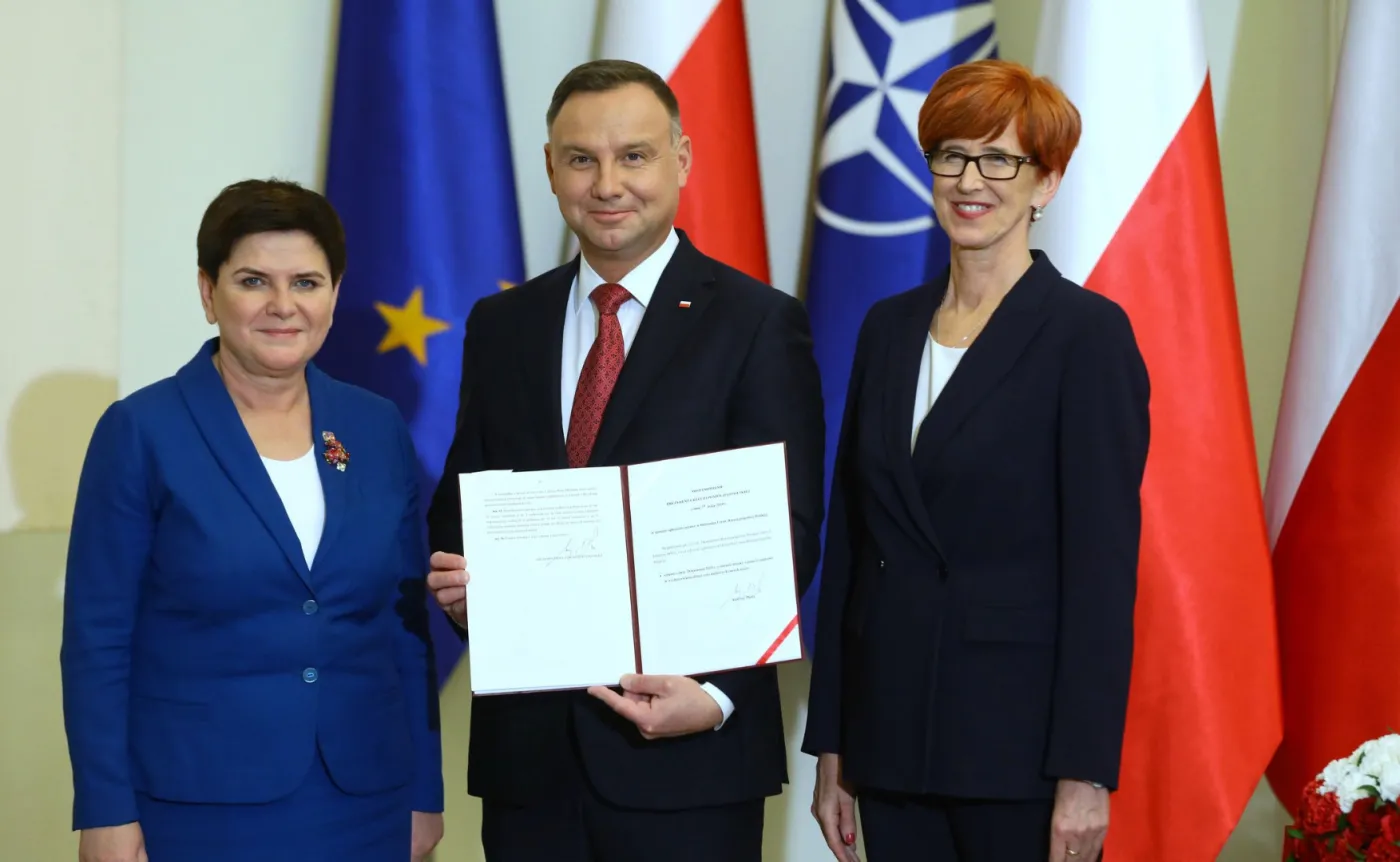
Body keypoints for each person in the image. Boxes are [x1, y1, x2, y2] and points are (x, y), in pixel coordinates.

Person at [424, 59, 825, 862]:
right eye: (581, 159)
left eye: (633, 156)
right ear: (550, 168)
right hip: (530, 770)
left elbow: (786, 534)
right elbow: (463, 504)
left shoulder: (757, 324)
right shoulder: (503, 325)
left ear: (681, 159)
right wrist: (464, 587)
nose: (608, 183)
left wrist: (714, 697)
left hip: (689, 767)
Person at [804, 59, 1151, 862]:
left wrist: (1084, 772)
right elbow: (853, 545)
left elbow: (1102, 572)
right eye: (952, 154)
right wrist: (833, 742)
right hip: (890, 743)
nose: (971, 179)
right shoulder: (886, 328)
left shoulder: (1085, 336)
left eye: (1001, 160)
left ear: (1047, 183)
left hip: (1018, 755)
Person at [60, 179, 445, 862]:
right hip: (199, 803)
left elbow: (405, 628)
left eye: (306, 282)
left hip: (366, 800)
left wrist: (425, 790)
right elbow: (97, 642)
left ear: (333, 294)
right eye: (252, 281)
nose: (282, 306)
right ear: (208, 293)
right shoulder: (140, 431)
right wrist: (106, 812)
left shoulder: (376, 426)